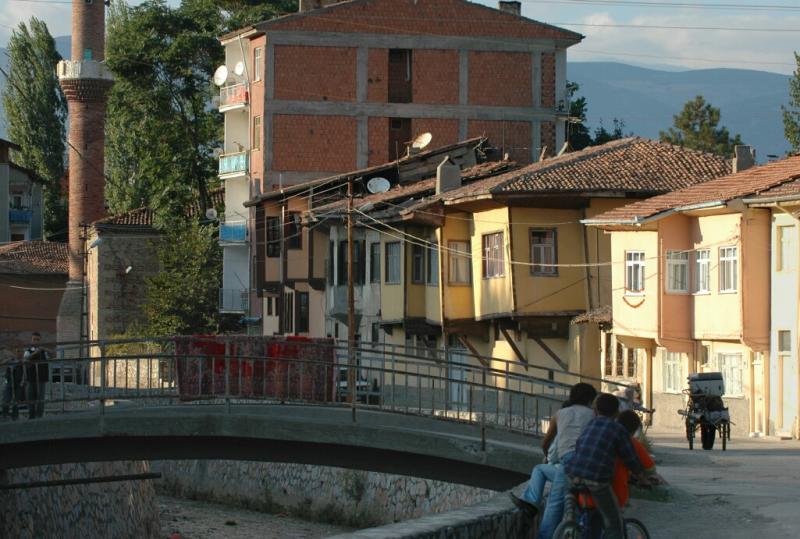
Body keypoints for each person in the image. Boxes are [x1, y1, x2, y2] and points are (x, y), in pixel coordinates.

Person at [511, 382, 598, 539]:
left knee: (554, 507)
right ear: (590, 399)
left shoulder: (560, 414)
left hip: (567, 464)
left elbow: (546, 442)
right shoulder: (593, 415)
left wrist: (546, 455)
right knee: (585, 508)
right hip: (588, 464)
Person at [564, 394, 645, 539]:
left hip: (573, 473)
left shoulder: (590, 424)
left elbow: (580, 446)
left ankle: (568, 521)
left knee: (577, 496)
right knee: (614, 523)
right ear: (616, 413)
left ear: (595, 410)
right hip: (596, 479)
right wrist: (642, 477)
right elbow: (630, 459)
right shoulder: (618, 429)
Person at [23, 332, 49, 419]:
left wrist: (45, 350)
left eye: (38, 340)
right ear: (31, 340)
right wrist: (35, 353)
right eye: (34, 339)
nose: (36, 341)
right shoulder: (28, 351)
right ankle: (31, 416)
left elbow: (51, 356)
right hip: (31, 378)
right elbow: (25, 359)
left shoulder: (44, 351)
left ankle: (39, 416)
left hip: (41, 378)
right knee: (31, 398)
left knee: (41, 399)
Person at [1, 356, 24, 421]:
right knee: (6, 399)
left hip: (18, 382)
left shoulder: (20, 360)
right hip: (9, 382)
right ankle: (5, 415)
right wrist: (8, 360)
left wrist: (23, 380)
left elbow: (25, 367)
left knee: (16, 401)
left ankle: (15, 416)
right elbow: (2, 363)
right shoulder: (9, 359)